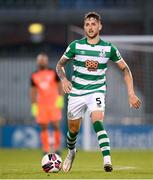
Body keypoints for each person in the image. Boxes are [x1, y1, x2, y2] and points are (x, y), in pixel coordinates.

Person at [56, 12, 141, 172]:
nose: (90, 27)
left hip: (96, 90)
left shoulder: (108, 48)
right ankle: (71, 151)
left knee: (97, 121)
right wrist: (64, 79)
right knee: (73, 131)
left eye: (93, 23)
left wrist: (131, 93)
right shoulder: (75, 46)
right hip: (76, 92)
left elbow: (125, 69)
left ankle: (107, 160)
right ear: (84, 27)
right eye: (87, 24)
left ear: (99, 26)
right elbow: (59, 65)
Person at [30, 53, 64, 154]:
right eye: (40, 60)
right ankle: (46, 149)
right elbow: (33, 91)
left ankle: (57, 148)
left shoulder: (53, 73)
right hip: (41, 105)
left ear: (47, 61)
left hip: (53, 103)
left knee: (56, 125)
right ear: (37, 62)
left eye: (44, 60)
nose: (42, 62)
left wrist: (60, 98)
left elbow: (60, 85)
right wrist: (34, 105)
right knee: (43, 126)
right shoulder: (34, 75)